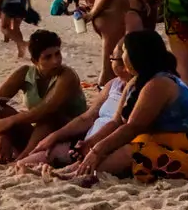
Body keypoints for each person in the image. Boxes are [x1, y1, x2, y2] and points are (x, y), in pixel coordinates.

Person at [69, 30, 188, 184]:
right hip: (155, 143)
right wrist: (90, 144)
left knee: (127, 151)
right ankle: (75, 170)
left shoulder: (160, 83)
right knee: (112, 147)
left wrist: (97, 150)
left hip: (185, 152)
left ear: (136, 55)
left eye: (124, 52)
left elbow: (132, 127)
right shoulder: (136, 81)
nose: (122, 58)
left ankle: (78, 173)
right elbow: (116, 123)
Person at [17, 39, 129, 169]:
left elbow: (123, 125)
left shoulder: (141, 89)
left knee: (50, 120)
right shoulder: (113, 85)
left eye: (113, 59)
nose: (55, 61)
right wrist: (55, 137)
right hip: (84, 144)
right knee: (24, 164)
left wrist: (91, 145)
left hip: (106, 147)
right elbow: (87, 117)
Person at [0, 30, 87, 164]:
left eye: (58, 54)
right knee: (2, 111)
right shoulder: (25, 73)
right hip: (41, 134)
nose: (56, 61)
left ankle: (22, 159)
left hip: (70, 133)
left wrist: (11, 121)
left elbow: (46, 108)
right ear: (34, 61)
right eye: (48, 57)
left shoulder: (67, 76)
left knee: (49, 117)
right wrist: (1, 132)